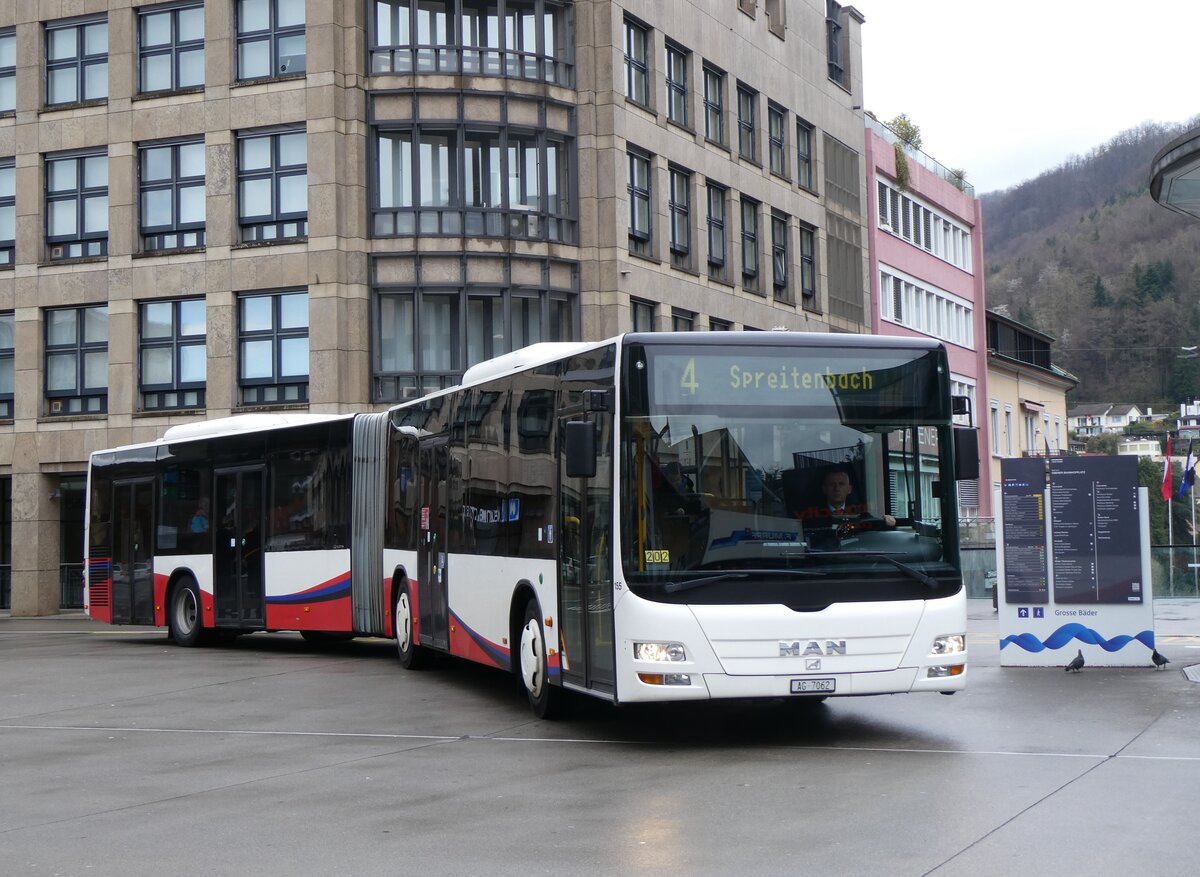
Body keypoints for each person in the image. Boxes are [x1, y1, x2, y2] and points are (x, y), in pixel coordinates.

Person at [802, 467, 897, 530]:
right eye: (832, 484)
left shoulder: (860, 514)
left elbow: (875, 527)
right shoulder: (812, 517)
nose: (837, 489)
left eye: (841, 484)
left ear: (849, 489)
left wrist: (888, 522)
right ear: (824, 489)